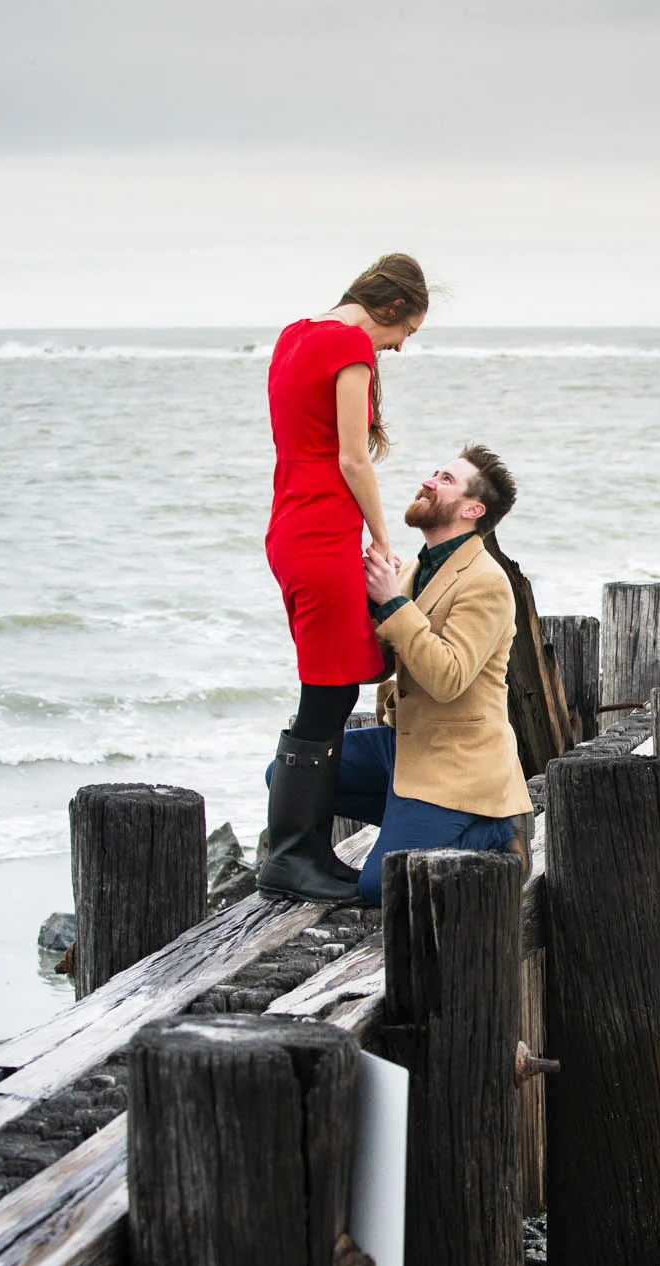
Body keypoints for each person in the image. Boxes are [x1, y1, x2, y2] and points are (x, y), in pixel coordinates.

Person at [258, 254, 429, 902]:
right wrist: (384, 539)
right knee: (325, 693)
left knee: (329, 689)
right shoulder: (350, 344)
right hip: (321, 532)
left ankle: (304, 851)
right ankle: (292, 857)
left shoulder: (294, 335)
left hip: (292, 525)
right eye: (406, 333)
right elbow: (352, 458)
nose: (399, 347)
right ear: (391, 308)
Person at [326, 444, 530, 905]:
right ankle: (413, 819)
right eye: (435, 472)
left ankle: (493, 831)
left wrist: (393, 604)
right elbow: (384, 664)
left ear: (472, 510)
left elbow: (447, 677)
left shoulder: (487, 582)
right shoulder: (418, 565)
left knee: (382, 887)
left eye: (446, 480)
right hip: (406, 745)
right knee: (289, 777)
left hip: (458, 762)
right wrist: (364, 598)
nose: (430, 481)